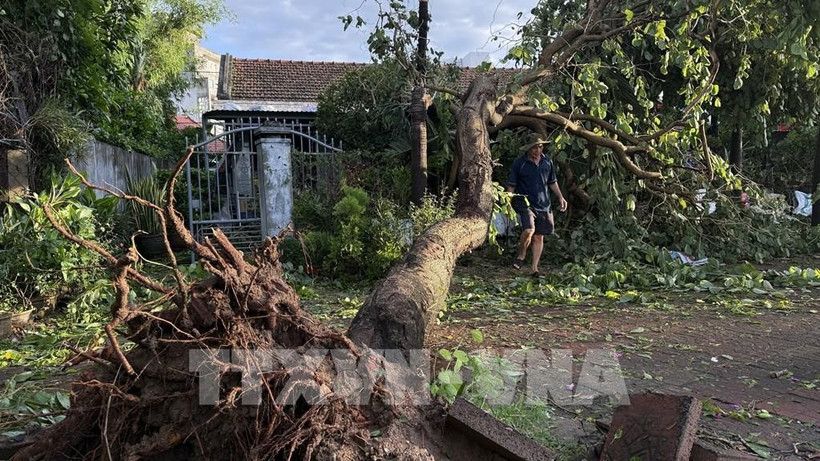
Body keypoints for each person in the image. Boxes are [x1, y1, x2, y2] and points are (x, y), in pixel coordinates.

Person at [506, 132, 568, 278]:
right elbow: (511, 185)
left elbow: (552, 182)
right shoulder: (519, 163)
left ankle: (534, 268)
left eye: (539, 147)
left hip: (544, 203)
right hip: (525, 202)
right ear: (528, 149)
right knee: (529, 229)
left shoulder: (547, 162)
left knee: (539, 236)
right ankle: (521, 255)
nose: (537, 150)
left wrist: (560, 197)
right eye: (534, 148)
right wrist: (508, 204)